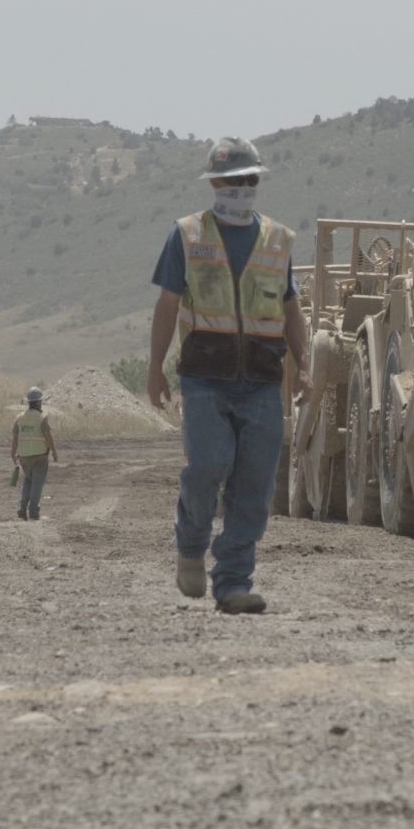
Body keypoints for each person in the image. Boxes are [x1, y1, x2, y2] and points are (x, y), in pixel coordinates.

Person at [145, 137, 311, 615]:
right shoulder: (188, 235)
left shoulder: (277, 240)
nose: (241, 188)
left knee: (255, 487)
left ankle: (234, 582)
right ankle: (191, 544)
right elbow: (167, 305)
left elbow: (290, 306)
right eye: (232, 181)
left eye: (249, 180)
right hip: (205, 378)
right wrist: (155, 369)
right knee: (208, 466)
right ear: (214, 183)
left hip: (261, 380)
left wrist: (305, 363)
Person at [11, 387, 58, 520]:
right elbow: (48, 436)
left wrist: (13, 453)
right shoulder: (41, 417)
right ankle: (33, 512)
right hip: (40, 457)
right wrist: (54, 452)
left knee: (28, 481)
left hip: (24, 457)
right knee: (37, 483)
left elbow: (15, 437)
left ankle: (22, 508)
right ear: (38, 402)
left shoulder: (19, 418)